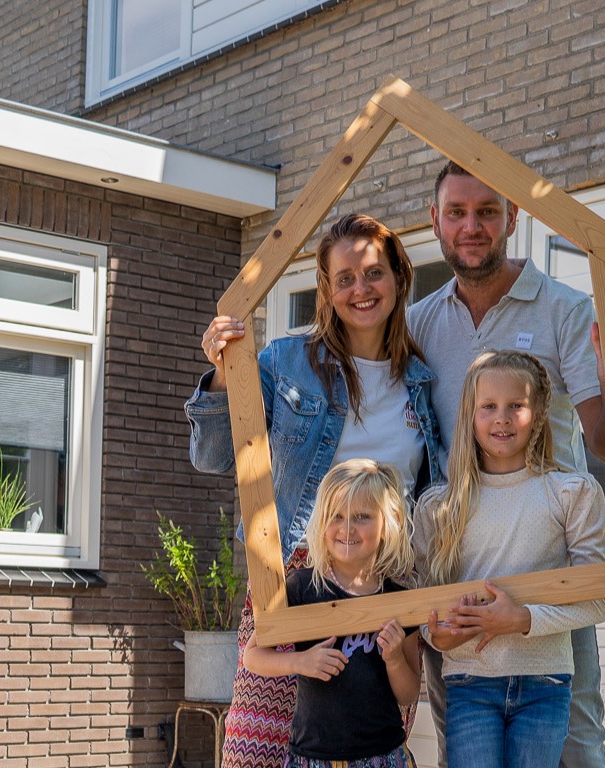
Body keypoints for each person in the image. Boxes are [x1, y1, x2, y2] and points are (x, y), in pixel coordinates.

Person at [408, 161, 605, 768]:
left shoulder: (565, 309)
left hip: (553, 572)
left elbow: (603, 442)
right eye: (457, 212)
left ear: (513, 217)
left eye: (488, 211)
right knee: (461, 747)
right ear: (434, 221)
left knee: (575, 742)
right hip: (464, 567)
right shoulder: (417, 324)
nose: (472, 226)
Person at [186, 213, 444, 768]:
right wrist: (222, 374)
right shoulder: (286, 361)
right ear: (326, 289)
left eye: (373, 273)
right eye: (344, 277)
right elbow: (211, 458)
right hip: (290, 576)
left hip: (383, 583)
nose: (360, 289)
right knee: (256, 751)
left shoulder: (421, 380)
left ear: (399, 277)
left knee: (365, 748)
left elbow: (436, 492)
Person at [415, 351, 605, 768]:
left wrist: (521, 620)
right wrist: (439, 637)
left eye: (516, 406)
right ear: (469, 414)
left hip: (545, 683)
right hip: (469, 682)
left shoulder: (572, 493)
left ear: (538, 414)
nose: (501, 418)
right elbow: (425, 611)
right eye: (488, 407)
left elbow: (599, 601)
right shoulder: (439, 506)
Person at [243, 458, 423, 768]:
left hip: (383, 758)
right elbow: (253, 656)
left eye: (362, 517)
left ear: (387, 522)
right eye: (335, 516)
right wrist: (300, 661)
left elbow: (407, 695)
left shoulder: (399, 600)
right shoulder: (301, 587)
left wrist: (393, 659)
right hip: (313, 759)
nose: (347, 528)